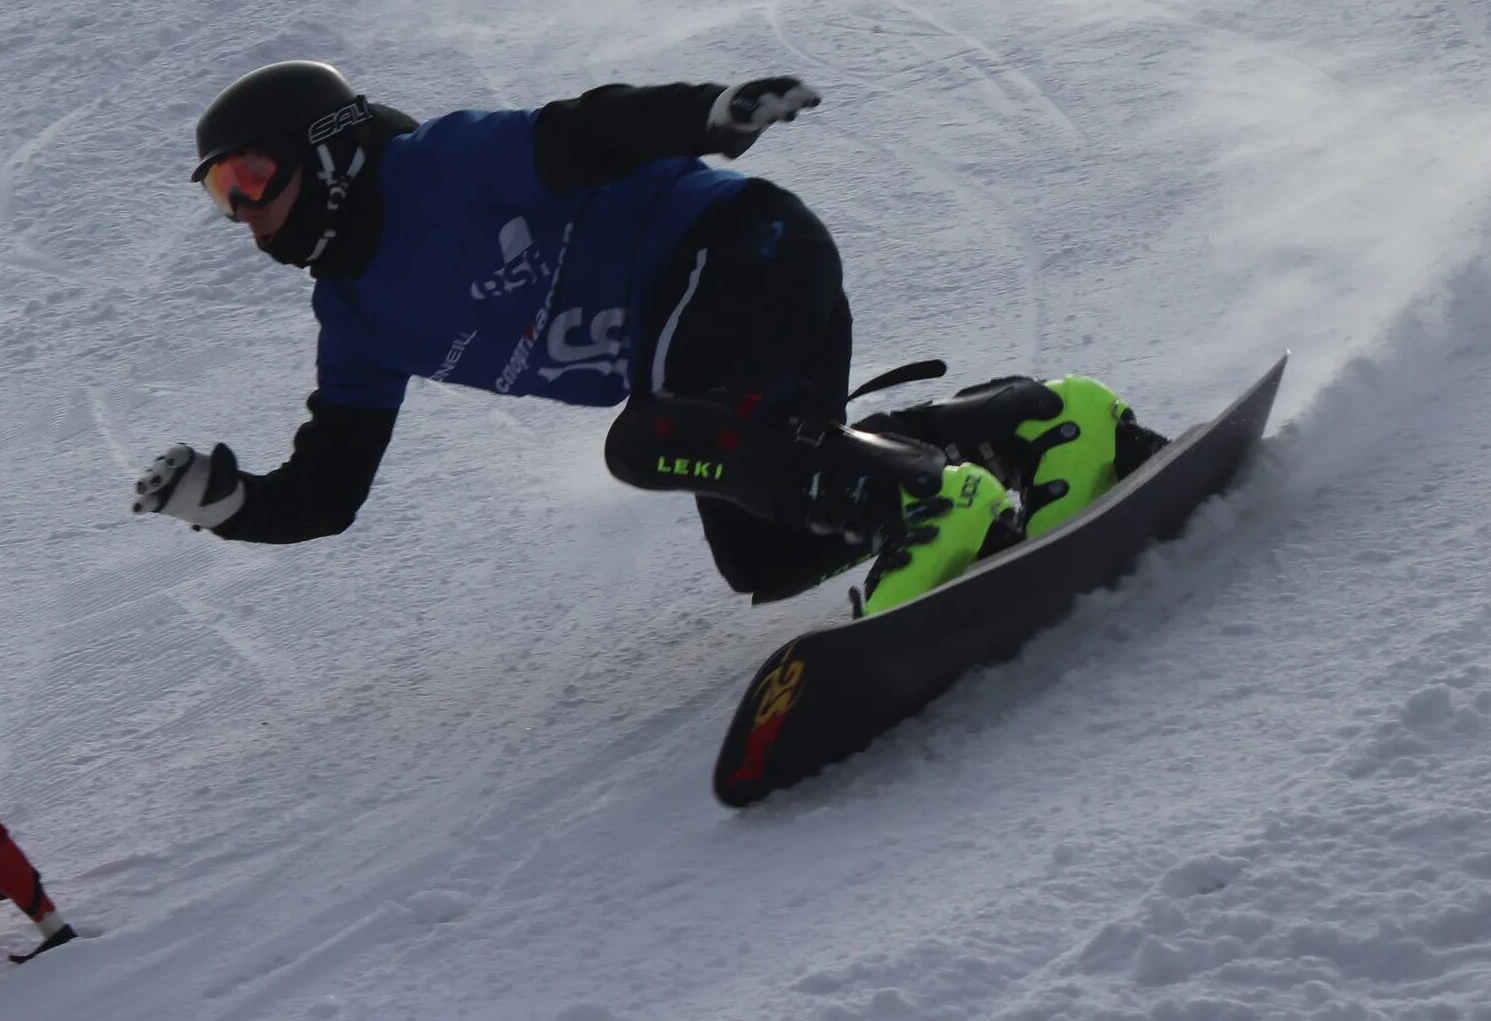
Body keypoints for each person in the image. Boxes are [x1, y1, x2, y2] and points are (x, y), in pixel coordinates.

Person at [130, 61, 1165, 616]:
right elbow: (333, 485)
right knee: (765, 550)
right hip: (716, 336)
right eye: (225, 196)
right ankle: (1035, 424)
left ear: (333, 151)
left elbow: (579, 132)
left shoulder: (431, 166)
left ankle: (929, 502)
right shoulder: (354, 316)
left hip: (740, 246)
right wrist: (229, 504)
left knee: (652, 435)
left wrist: (706, 114)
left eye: (253, 178)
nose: (247, 213)